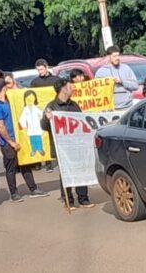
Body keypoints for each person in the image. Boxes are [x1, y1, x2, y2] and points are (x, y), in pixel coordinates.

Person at [0, 79, 48, 202]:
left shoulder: (9, 101)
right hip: (7, 142)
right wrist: (11, 142)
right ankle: (14, 193)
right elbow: (0, 126)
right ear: (4, 89)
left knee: (26, 164)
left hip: (19, 138)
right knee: (11, 168)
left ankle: (33, 189)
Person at [42, 78, 93, 209]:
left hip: (76, 144)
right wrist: (48, 120)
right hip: (62, 147)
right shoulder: (51, 106)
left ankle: (83, 198)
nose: (72, 89)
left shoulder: (74, 105)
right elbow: (43, 126)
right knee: (66, 172)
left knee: (80, 170)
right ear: (63, 89)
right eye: (70, 86)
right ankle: (68, 200)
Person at [18, 91, 45, 157]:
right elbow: (22, 118)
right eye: (28, 99)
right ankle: (34, 149)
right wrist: (23, 125)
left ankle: (40, 149)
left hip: (37, 126)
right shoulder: (25, 109)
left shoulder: (36, 108)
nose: (30, 100)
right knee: (32, 139)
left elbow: (41, 114)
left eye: (31, 99)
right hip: (30, 127)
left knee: (38, 138)